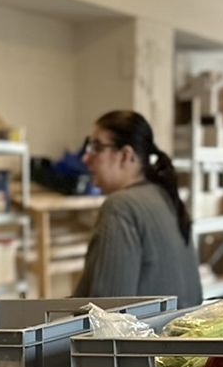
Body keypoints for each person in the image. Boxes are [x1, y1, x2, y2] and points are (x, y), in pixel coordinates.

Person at [75, 111, 204, 311]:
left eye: (97, 147)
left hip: (147, 332)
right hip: (177, 330)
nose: (86, 157)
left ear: (126, 155)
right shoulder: (165, 197)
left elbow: (106, 314)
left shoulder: (120, 207)